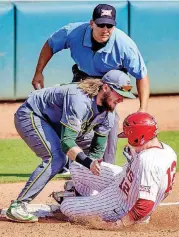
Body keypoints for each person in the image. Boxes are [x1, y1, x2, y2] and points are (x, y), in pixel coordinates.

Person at [5, 70, 135, 223]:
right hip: (33, 115)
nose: (121, 99)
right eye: (119, 93)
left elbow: (97, 149)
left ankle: (73, 194)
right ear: (105, 88)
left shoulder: (109, 114)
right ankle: (18, 205)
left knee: (89, 147)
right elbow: (67, 142)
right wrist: (87, 163)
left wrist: (92, 166)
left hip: (57, 122)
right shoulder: (79, 100)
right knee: (57, 158)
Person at [31, 3, 150, 164]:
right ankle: (75, 161)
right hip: (84, 78)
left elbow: (142, 75)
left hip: (114, 81)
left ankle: (107, 165)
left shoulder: (125, 45)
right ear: (92, 23)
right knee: (73, 112)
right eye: (101, 24)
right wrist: (38, 72)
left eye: (110, 25)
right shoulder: (73, 31)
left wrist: (142, 109)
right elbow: (50, 44)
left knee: (110, 119)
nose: (105, 29)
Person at [56, 112, 177, 229]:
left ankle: (91, 202)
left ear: (139, 135)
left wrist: (121, 223)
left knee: (66, 206)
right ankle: (88, 198)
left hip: (121, 205)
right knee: (78, 166)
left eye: (129, 135)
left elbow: (145, 204)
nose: (127, 139)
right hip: (121, 180)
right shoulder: (166, 150)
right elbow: (163, 190)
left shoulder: (149, 161)